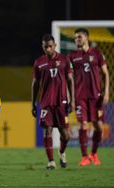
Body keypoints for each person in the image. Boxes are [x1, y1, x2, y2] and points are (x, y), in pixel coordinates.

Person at [31, 34, 74, 170]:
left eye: (50, 46)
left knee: (65, 134)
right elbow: (35, 84)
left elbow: (70, 80)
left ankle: (61, 152)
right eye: (45, 47)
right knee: (47, 131)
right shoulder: (39, 62)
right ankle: (51, 161)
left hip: (61, 102)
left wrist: (72, 100)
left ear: (55, 45)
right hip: (45, 103)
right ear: (42, 47)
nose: (48, 49)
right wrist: (33, 103)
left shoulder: (65, 60)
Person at [69, 28, 110, 166]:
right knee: (83, 124)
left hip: (96, 97)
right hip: (80, 96)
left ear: (86, 37)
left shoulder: (97, 54)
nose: (77, 40)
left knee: (98, 126)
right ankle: (84, 157)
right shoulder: (73, 56)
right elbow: (70, 78)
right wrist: (72, 98)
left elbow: (106, 73)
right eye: (75, 38)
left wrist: (107, 92)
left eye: (79, 37)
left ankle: (94, 153)